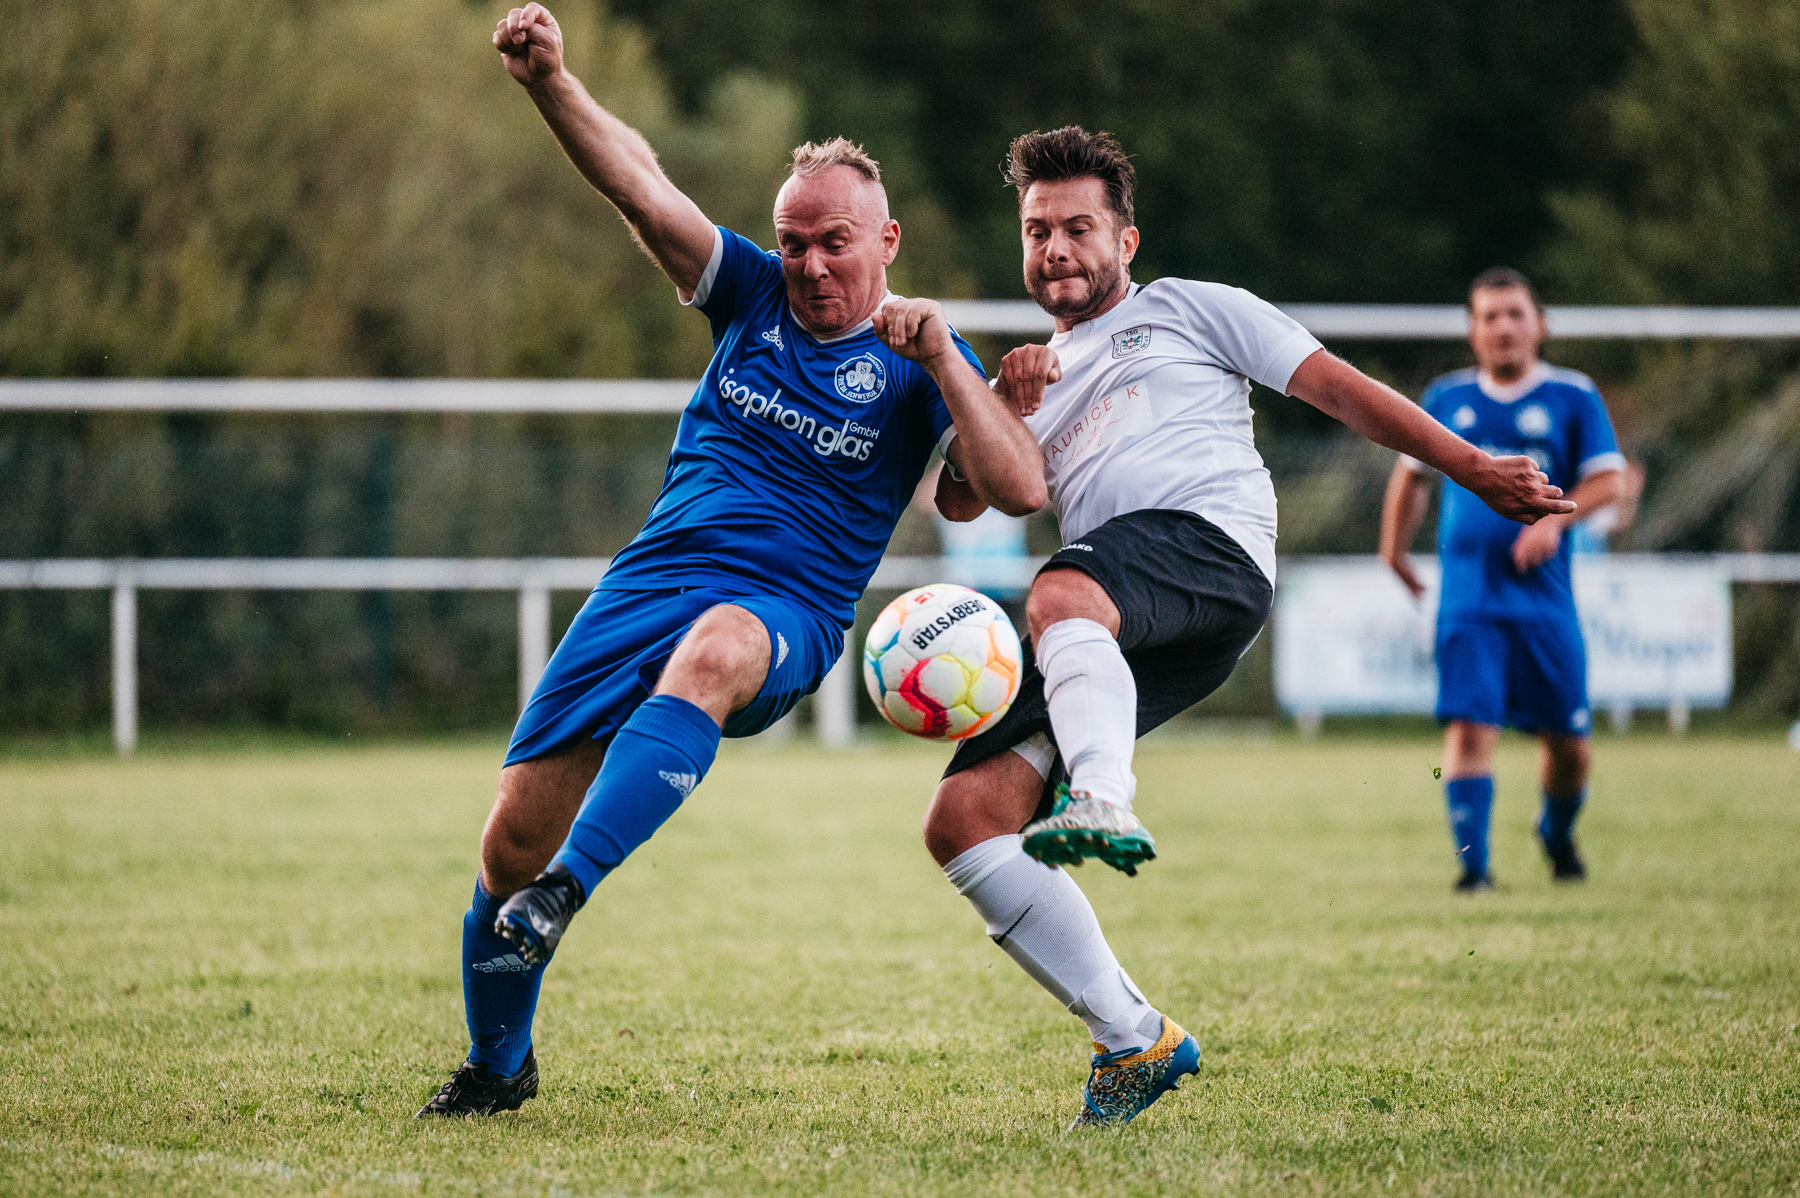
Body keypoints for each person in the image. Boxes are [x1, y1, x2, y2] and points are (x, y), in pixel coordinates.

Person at [417, 3, 1045, 1118]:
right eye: (793, 240)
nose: (807, 264)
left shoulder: (918, 365)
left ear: (886, 242)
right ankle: (498, 1064)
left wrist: (953, 360)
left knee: (715, 649)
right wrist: (550, 82)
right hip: (648, 580)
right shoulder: (748, 294)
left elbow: (1006, 488)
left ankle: (574, 887)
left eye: (832, 243)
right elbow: (642, 189)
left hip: (786, 613)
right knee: (507, 841)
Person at [925, 128, 1574, 1128]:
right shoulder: (1033, 378)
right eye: (1037, 229)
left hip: (1207, 554)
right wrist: (997, 411)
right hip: (1127, 617)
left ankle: (1102, 796)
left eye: (1079, 227)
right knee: (963, 819)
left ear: (1127, 240)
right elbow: (967, 504)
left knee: (1057, 593)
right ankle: (1132, 1035)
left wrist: (1476, 468)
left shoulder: (1193, 308)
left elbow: (1342, 391)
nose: (1056, 247)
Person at [1379, 268, 1624, 890]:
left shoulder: (1573, 396)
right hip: (1469, 596)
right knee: (1470, 725)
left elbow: (1609, 481)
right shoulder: (1445, 398)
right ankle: (1474, 870)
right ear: (1472, 331)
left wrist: (1555, 524)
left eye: (1515, 313)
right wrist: (1393, 550)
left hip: (1545, 599)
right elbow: (1412, 475)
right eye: (1489, 316)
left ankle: (1558, 831)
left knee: (1570, 746)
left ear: (1539, 325)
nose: (1504, 327)